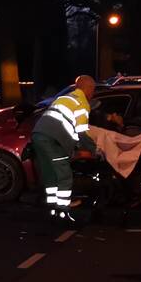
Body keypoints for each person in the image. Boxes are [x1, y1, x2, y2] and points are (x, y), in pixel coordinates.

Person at [31, 75, 97, 220]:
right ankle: (63, 209)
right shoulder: (82, 103)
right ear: (89, 89)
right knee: (64, 173)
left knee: (50, 172)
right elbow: (82, 133)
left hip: (38, 135)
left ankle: (52, 205)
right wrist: (93, 150)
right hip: (53, 140)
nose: (93, 93)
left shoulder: (63, 98)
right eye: (93, 89)